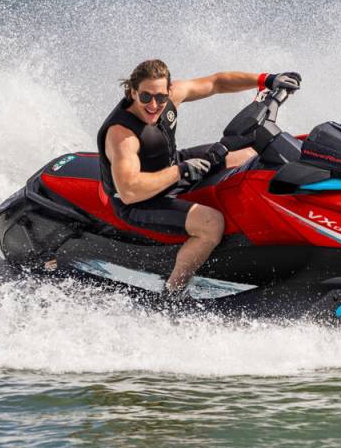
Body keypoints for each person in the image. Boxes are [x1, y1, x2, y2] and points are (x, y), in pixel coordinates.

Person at [97, 59, 301, 296]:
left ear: (168, 91)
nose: (154, 105)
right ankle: (172, 294)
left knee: (252, 154)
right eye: (145, 97)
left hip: (173, 165)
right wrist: (182, 171)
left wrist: (265, 79)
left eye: (161, 97)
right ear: (133, 92)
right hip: (140, 200)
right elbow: (130, 191)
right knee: (211, 223)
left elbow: (216, 82)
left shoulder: (170, 97)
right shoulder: (122, 135)